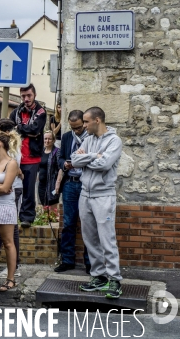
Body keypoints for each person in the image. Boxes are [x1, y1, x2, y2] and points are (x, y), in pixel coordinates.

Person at [72, 107, 123, 299]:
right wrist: (94, 156)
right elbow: (75, 160)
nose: (83, 125)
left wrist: (87, 160)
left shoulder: (114, 141)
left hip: (104, 195)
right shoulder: (88, 139)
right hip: (85, 195)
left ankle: (114, 279)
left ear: (97, 120)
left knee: (106, 238)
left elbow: (105, 164)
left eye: (86, 122)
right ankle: (99, 276)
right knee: (90, 238)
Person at [55, 110, 91, 273]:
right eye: (72, 127)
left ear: (84, 123)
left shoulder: (91, 138)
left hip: (85, 183)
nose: (75, 131)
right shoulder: (67, 137)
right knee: (68, 223)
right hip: (70, 182)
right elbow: (60, 158)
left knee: (88, 223)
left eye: (77, 127)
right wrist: (65, 165)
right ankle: (67, 260)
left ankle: (90, 262)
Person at [9, 83, 46, 228]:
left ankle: (27, 217)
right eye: (23, 96)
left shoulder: (41, 112)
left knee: (28, 189)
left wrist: (20, 128)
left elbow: (36, 129)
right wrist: (25, 130)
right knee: (13, 187)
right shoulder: (16, 112)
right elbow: (11, 130)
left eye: (29, 95)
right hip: (16, 156)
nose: (26, 99)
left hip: (32, 157)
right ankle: (13, 215)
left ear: (34, 95)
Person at [0, 131, 19, 292]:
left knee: (8, 243)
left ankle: (10, 278)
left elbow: (6, 188)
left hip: (6, 206)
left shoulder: (12, 163)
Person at [0, 119, 22, 280]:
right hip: (2, 191)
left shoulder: (11, 150)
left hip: (12, 189)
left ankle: (14, 266)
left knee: (11, 232)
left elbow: (6, 185)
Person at [38, 131, 60, 210]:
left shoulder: (57, 151)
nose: (47, 141)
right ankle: (46, 221)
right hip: (41, 184)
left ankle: (53, 221)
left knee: (52, 208)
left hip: (52, 184)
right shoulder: (41, 151)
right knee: (44, 206)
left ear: (53, 140)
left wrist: (58, 182)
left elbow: (60, 168)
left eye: (49, 139)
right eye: (45, 139)